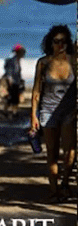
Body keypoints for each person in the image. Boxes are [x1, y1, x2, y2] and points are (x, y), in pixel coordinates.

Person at [30, 25, 77, 202]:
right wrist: (33, 116)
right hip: (47, 111)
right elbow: (36, 92)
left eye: (64, 41)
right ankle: (54, 189)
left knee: (71, 151)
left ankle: (65, 183)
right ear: (50, 43)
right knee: (52, 153)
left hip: (68, 111)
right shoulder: (43, 63)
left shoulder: (74, 61)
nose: (60, 45)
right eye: (56, 41)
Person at [4, 44, 26, 118]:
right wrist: (10, 81)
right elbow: (9, 72)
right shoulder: (12, 60)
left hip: (16, 81)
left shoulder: (16, 60)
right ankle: (9, 111)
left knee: (15, 98)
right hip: (13, 82)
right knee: (12, 98)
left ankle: (13, 112)